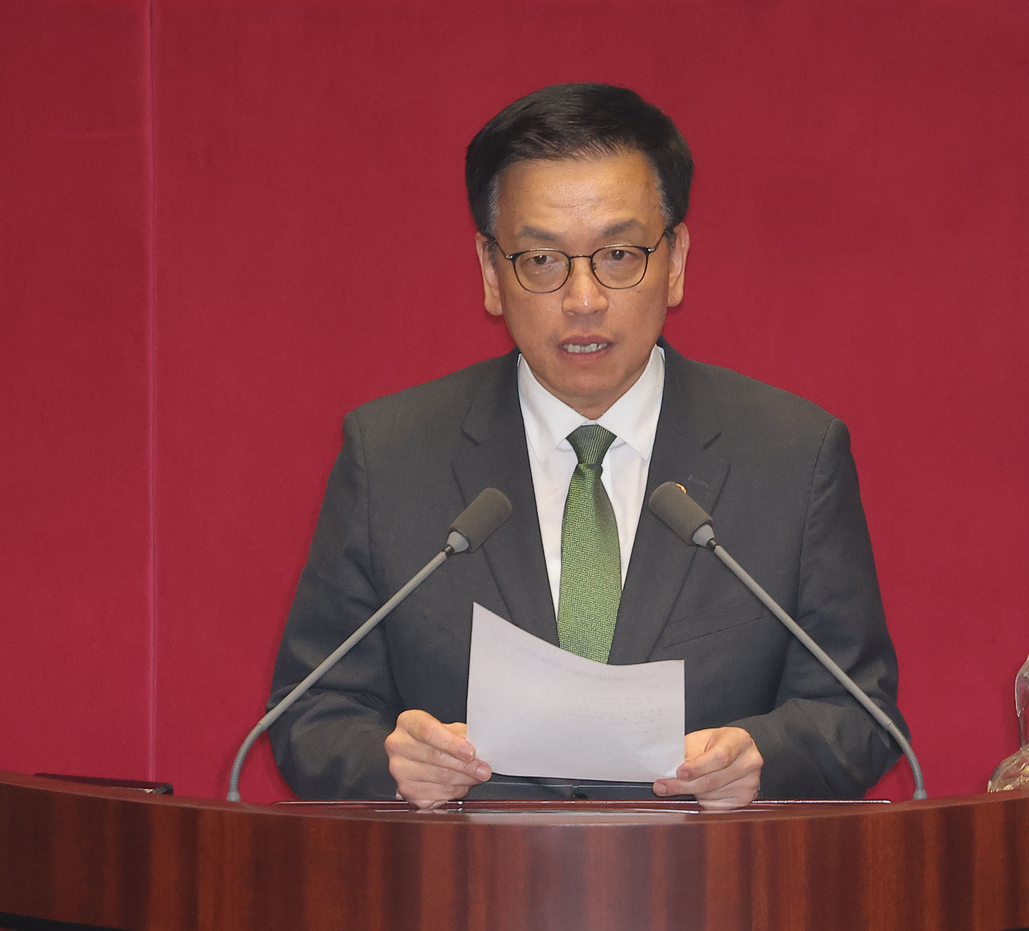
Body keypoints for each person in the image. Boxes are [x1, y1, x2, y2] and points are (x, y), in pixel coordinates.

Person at [268, 83, 907, 810]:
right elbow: (309, 715)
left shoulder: (793, 455)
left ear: (676, 260)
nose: (583, 298)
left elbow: (861, 712)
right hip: (464, 900)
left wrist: (761, 757)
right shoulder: (389, 456)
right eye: (541, 260)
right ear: (489, 269)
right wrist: (396, 763)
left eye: (619, 254)